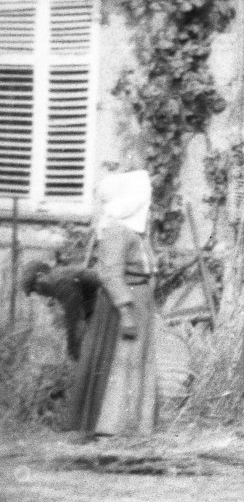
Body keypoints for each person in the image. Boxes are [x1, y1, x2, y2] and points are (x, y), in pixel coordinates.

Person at [83, 171, 159, 438]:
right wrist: (126, 311)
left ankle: (132, 424)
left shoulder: (134, 233)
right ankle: (110, 425)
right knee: (122, 360)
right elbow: (110, 274)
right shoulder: (117, 230)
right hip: (123, 305)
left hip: (139, 300)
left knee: (136, 360)